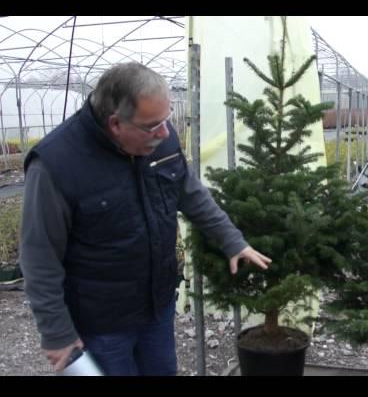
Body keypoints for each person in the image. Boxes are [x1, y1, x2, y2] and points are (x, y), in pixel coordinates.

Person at [20, 62, 271, 376]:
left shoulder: (160, 140)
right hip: (102, 323)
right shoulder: (56, 165)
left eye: (166, 119)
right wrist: (56, 332)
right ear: (115, 124)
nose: (165, 132)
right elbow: (38, 257)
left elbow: (191, 193)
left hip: (157, 308)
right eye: (153, 125)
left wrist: (232, 241)